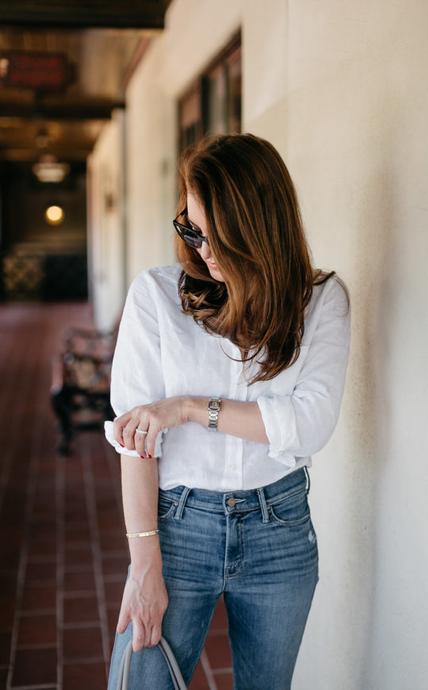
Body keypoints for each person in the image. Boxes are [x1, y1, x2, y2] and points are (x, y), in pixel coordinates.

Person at [105, 132, 351, 690]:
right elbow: (134, 438)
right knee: (141, 680)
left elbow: (311, 423)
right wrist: (144, 565)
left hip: (279, 528)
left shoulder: (320, 303)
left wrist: (190, 408)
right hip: (177, 524)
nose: (203, 249)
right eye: (192, 229)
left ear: (262, 228)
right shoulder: (157, 297)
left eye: (219, 236)